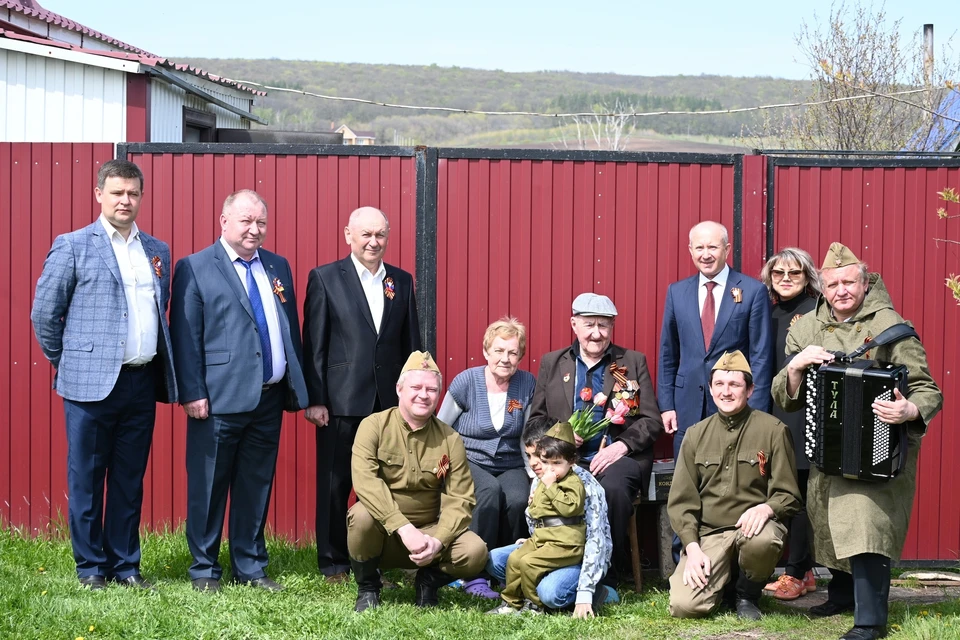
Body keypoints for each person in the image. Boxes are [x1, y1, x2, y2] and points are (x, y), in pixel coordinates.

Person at [772, 243, 943, 640]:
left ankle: (870, 620)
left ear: (865, 283)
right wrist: (795, 366)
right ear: (823, 286)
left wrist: (909, 411)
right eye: (832, 284)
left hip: (881, 447)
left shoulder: (890, 325)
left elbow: (927, 389)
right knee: (828, 521)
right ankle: (843, 595)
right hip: (829, 446)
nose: (841, 291)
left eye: (849, 282)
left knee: (864, 522)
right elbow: (785, 395)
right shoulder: (806, 327)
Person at [31, 159, 178, 591]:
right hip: (88, 385)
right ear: (99, 195)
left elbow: (158, 310)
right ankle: (91, 568)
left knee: (130, 482)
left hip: (140, 381)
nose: (125, 201)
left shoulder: (157, 251)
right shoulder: (74, 245)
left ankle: (126, 566)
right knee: (88, 480)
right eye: (116, 193)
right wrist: (70, 360)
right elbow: (44, 314)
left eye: (132, 193)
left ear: (141, 197)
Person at [170, 189, 308, 593]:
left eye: (261, 222)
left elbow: (287, 329)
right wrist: (193, 392)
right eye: (246, 221)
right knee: (209, 486)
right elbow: (186, 336)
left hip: (268, 396)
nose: (254, 229)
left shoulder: (277, 266)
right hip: (216, 400)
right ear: (224, 221)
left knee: (255, 484)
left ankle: (250, 566)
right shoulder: (194, 267)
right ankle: (204, 569)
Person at [302, 206, 422, 583]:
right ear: (348, 235)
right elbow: (314, 345)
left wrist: (413, 396)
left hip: (388, 406)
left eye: (380, 235)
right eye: (365, 234)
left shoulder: (401, 282)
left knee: (385, 485)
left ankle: (375, 560)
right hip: (341, 402)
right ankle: (334, 562)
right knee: (336, 484)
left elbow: (411, 345)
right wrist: (316, 399)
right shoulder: (324, 278)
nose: (373, 242)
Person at [529, 292, 663, 585]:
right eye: (589, 324)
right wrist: (561, 438)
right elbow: (536, 420)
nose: (596, 333)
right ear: (574, 325)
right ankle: (556, 565)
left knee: (613, 489)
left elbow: (651, 420)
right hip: (564, 460)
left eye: (604, 325)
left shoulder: (631, 362)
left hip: (617, 457)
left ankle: (606, 573)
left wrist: (620, 446)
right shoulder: (553, 363)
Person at [347, 351, 487, 611]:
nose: (424, 394)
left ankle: (428, 582)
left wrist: (439, 540)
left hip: (429, 535)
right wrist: (402, 527)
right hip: (385, 534)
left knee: (475, 551)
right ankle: (368, 586)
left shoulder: (450, 439)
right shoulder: (374, 426)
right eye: (416, 387)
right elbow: (365, 481)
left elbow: (462, 498)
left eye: (432, 389)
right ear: (399, 389)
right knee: (361, 516)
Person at [668, 351, 801, 621]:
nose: (726, 392)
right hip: (709, 535)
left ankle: (747, 594)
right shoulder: (695, 435)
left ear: (750, 390)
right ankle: (724, 585)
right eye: (719, 384)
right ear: (711, 388)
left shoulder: (773, 430)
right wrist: (692, 548)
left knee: (763, 540)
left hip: (752, 530)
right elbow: (682, 502)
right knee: (685, 607)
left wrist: (766, 509)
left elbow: (789, 495)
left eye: (735, 385)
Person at [436, 316, 536, 598]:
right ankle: (474, 574)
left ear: (521, 356)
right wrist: (440, 472)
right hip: (468, 460)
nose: (505, 358)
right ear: (486, 352)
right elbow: (441, 429)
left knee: (518, 499)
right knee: (489, 492)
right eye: (499, 351)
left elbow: (527, 435)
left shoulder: (527, 383)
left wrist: (534, 476)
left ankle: (508, 570)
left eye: (513, 352)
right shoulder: (466, 381)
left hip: (510, 462)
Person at [658, 221, 773, 458]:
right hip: (686, 407)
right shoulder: (676, 292)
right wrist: (667, 405)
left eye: (713, 247)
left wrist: (758, 410)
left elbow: (761, 356)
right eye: (699, 248)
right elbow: (668, 353)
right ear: (690, 251)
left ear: (727, 249)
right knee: (688, 481)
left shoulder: (752, 291)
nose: (706, 255)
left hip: (734, 404)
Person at [486, 417, 617, 618]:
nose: (534, 463)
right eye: (531, 456)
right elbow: (539, 518)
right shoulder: (543, 477)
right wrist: (533, 538)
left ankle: (595, 591)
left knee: (550, 593)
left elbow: (597, 540)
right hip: (546, 547)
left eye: (540, 456)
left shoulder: (586, 485)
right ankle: (526, 594)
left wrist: (584, 593)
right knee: (497, 559)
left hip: (574, 556)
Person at [759, 248, 821, 601]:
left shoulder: (815, 311)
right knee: (782, 485)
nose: (785, 279)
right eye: (778, 273)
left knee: (797, 488)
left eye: (794, 273)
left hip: (800, 408)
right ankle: (805, 570)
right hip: (769, 405)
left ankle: (796, 572)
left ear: (806, 276)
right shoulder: (766, 311)